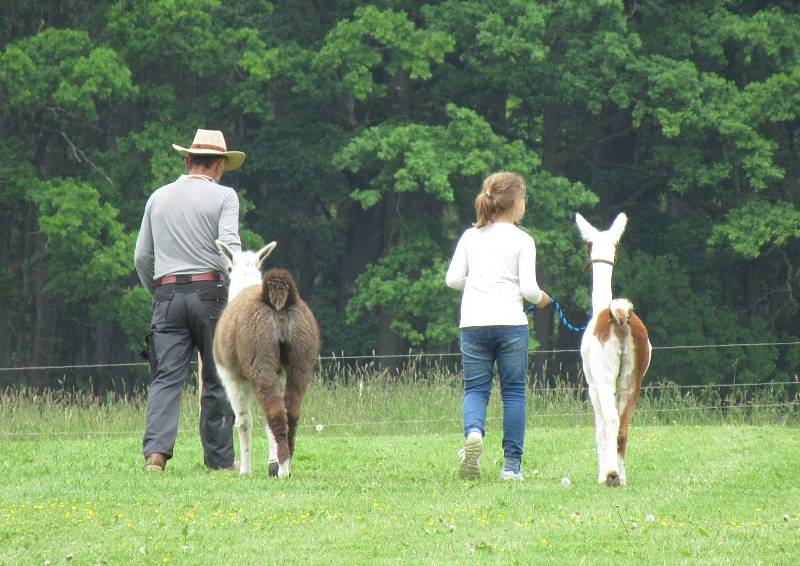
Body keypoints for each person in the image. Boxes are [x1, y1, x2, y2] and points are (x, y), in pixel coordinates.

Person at [134, 129, 246, 471]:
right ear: (220, 166)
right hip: (211, 294)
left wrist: (160, 295)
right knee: (216, 377)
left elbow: (141, 257)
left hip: (166, 294)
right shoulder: (225, 198)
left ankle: (156, 456)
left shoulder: (157, 197)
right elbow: (230, 247)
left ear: (187, 161)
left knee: (165, 377)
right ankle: (219, 461)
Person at [445, 172, 551, 481]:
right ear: (516, 202)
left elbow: (452, 280)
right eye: (524, 198)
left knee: (476, 389)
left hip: (474, 323)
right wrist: (543, 298)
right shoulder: (522, 240)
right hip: (510, 324)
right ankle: (511, 467)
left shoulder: (470, 236)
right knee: (514, 393)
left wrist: (478, 285)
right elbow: (530, 291)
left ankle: (474, 434)